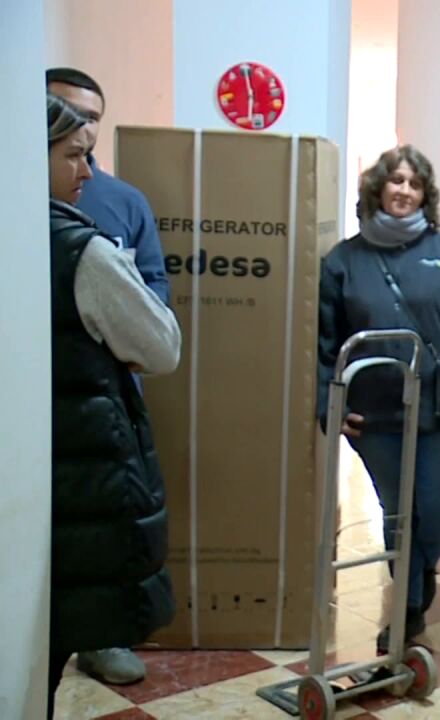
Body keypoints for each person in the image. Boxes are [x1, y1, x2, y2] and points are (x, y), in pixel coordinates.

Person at [317, 144, 440, 653]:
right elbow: (323, 345)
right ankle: (410, 610)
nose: (404, 190)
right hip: (375, 418)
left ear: (425, 195)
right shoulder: (342, 261)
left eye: (414, 184)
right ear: (377, 187)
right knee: (398, 514)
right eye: (395, 181)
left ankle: (417, 575)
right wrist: (325, 404)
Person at [46, 94, 180, 717]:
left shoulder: (122, 205)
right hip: (81, 453)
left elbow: (153, 299)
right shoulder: (80, 247)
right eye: (73, 154)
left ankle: (96, 644)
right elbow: (160, 346)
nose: (86, 170)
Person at [46, 68, 169, 304]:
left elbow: (153, 282)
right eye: (69, 111)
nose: (80, 123)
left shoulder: (125, 201)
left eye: (91, 117)